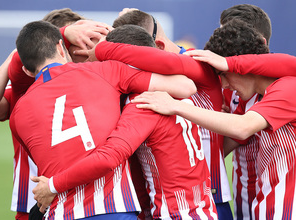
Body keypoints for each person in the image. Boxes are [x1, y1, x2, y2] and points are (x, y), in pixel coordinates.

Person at [9, 20, 196, 220]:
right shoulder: (107, 71)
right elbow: (186, 87)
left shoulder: (17, 114)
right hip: (113, 209)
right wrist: (106, 53)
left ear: (28, 71)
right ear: (61, 48)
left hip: (61, 213)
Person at [131, 20, 296, 220]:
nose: (224, 84)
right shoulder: (256, 101)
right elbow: (223, 146)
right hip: (263, 209)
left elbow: (243, 128)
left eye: (224, 74)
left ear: (243, 66)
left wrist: (177, 107)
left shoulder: (288, 89)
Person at [92, 9, 233, 219]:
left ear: (155, 48)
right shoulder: (155, 89)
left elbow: (167, 63)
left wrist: (102, 48)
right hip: (191, 205)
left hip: (206, 202)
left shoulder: (196, 65)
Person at [0, 8, 91, 220]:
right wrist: (15, 55)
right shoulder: (25, 88)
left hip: (85, 202)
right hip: (33, 203)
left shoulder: (93, 84)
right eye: (72, 45)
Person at [219, 4, 272, 219]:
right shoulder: (227, 83)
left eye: (232, 39)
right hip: (243, 202)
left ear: (260, 42)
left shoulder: (283, 86)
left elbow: (242, 129)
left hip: (280, 205)